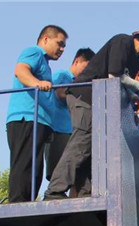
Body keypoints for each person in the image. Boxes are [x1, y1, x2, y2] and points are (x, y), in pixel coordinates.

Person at [44, 20, 139, 200]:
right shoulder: (123, 42)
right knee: (81, 143)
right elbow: (114, 75)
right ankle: (54, 191)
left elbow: (122, 84)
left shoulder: (135, 60)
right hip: (85, 97)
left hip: (98, 104)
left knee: (92, 149)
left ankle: (85, 194)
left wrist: (134, 97)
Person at [6, 25, 68, 203]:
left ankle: (27, 203)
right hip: (27, 117)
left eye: (64, 46)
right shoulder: (34, 52)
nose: (62, 49)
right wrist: (37, 83)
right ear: (46, 39)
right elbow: (20, 70)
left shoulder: (45, 64)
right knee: (24, 164)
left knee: (35, 169)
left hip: (39, 121)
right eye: (60, 44)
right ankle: (17, 204)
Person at [44, 48, 95, 185]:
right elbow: (58, 93)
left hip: (72, 130)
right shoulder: (63, 75)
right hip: (58, 129)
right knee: (57, 170)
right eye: (86, 67)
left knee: (76, 172)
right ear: (77, 61)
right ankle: (53, 193)